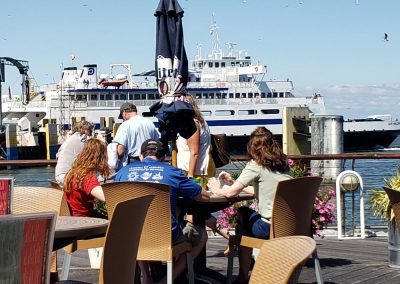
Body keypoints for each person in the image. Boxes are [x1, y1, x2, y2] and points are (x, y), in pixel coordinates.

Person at [115, 139, 210, 284]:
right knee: (201, 235)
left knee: (138, 226)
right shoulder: (171, 172)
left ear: (141, 156)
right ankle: (166, 281)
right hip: (166, 235)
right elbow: (204, 196)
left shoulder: (123, 172)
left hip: (131, 237)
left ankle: (146, 277)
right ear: (163, 157)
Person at [207, 126, 292, 283]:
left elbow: (231, 194)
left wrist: (217, 189)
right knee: (246, 220)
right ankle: (249, 263)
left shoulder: (256, 164)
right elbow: (263, 189)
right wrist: (234, 182)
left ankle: (243, 274)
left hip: (269, 228)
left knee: (242, 214)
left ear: (252, 147)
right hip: (291, 227)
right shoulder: (283, 164)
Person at [63, 139, 110, 217]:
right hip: (85, 221)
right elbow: (106, 197)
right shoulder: (87, 177)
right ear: (100, 158)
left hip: (72, 218)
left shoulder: (72, 172)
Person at [176, 94, 215, 178]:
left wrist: (190, 175)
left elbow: (194, 153)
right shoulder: (200, 121)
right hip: (199, 169)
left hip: (196, 172)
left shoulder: (193, 124)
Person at [55, 120, 94, 187]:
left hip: (59, 174)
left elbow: (57, 156)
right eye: (90, 130)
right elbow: (91, 155)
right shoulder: (84, 138)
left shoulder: (69, 139)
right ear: (86, 129)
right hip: (69, 176)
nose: (91, 133)